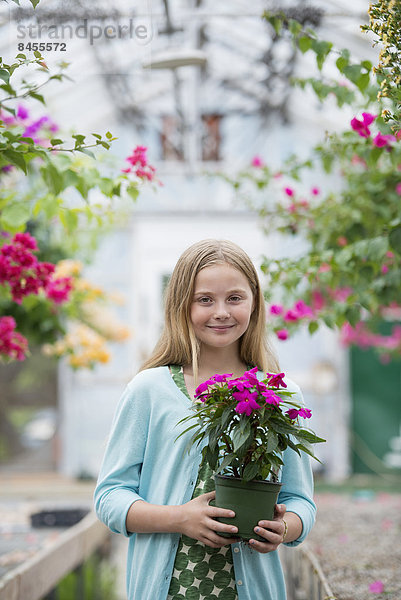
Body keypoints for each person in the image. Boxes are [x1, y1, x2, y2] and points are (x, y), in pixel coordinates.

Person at [94, 239, 316, 600]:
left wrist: (285, 527)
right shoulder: (149, 390)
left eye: (235, 298)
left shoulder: (280, 394)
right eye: (205, 299)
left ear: (254, 303)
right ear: (181, 305)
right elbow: (109, 496)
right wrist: (179, 518)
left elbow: (301, 501)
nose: (221, 312)